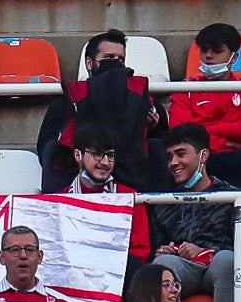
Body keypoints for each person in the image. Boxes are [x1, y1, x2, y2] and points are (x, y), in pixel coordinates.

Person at [37, 29, 166, 191]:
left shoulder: (144, 101)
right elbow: (45, 150)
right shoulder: (64, 104)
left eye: (121, 60)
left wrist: (152, 126)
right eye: (108, 58)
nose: (115, 65)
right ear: (89, 64)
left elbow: (163, 141)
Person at [149, 121, 241, 302]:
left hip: (218, 265)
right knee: (162, 265)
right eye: (169, 157)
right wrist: (165, 251)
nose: (173, 163)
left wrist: (205, 252)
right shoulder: (164, 202)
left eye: (181, 154)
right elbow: (156, 249)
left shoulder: (234, 197)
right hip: (183, 269)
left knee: (228, 261)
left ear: (203, 155)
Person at [167, 21, 241, 188]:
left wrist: (202, 131)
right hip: (196, 158)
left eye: (217, 51)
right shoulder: (184, 88)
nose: (208, 56)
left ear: (234, 57)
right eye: (204, 50)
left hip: (235, 159)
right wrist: (227, 142)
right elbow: (180, 131)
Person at [61, 125, 152, 283]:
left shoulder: (130, 197)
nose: (105, 162)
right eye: (97, 154)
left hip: (118, 277)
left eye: (110, 156)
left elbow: (140, 251)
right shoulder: (59, 199)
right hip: (73, 276)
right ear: (78, 155)